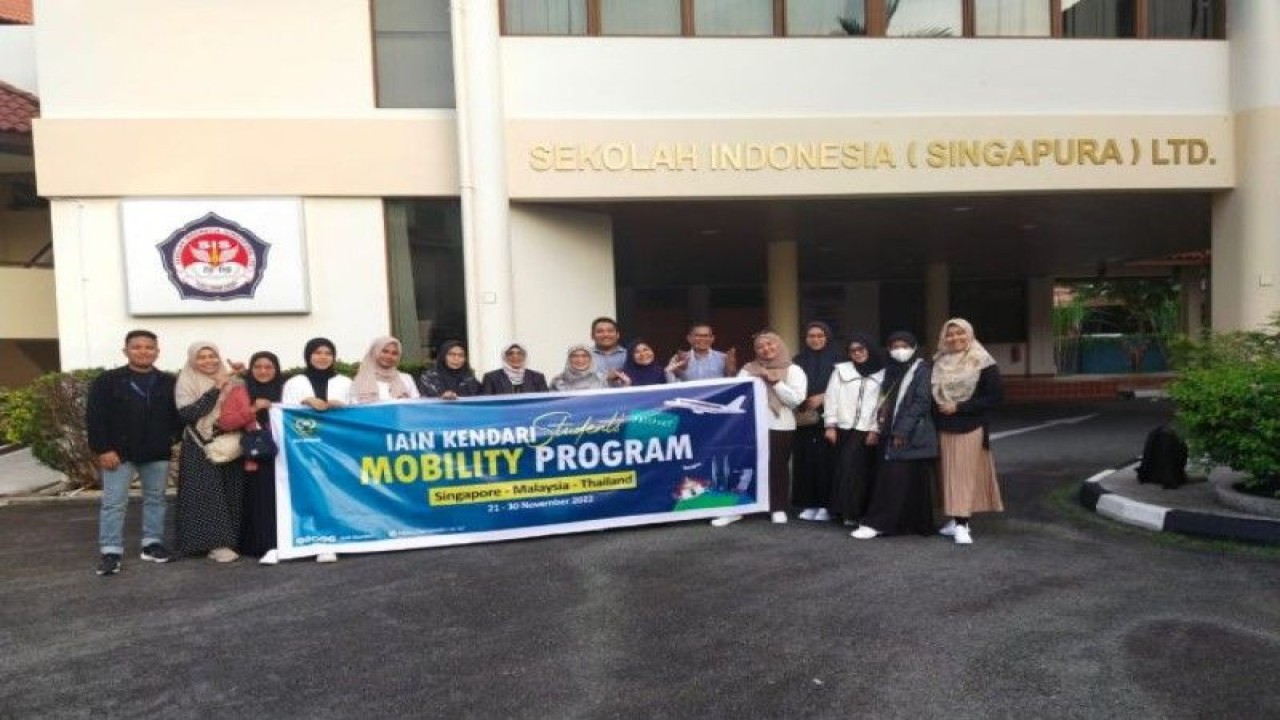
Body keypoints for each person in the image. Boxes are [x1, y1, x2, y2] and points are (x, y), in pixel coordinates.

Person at [86, 329, 181, 576]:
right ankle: (111, 551)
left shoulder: (168, 382)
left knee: (156, 499)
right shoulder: (107, 380)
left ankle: (151, 544)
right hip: (118, 453)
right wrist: (103, 448)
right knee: (114, 503)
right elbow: (95, 418)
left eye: (149, 347)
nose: (143, 351)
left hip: (156, 452)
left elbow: (177, 416)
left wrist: (171, 439)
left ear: (157, 352)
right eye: (137, 347)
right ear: (126, 350)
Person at [711, 330, 807, 527]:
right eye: (761, 347)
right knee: (744, 465)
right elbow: (738, 394)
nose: (766, 349)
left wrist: (775, 381)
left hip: (780, 424)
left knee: (777, 467)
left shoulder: (793, 370)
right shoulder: (749, 368)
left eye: (770, 344)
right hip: (750, 426)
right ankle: (738, 509)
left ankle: (777, 507)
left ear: (779, 345)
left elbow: (796, 400)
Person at [851, 331, 938, 540]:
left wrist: (902, 431)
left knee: (894, 478)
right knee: (896, 478)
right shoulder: (891, 371)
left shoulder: (922, 370)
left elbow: (921, 402)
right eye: (894, 346)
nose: (900, 350)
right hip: (888, 431)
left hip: (909, 433)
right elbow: (882, 402)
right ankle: (904, 523)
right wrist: (877, 428)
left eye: (904, 346)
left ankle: (879, 523)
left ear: (914, 347)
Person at [932, 317, 1004, 546]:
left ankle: (962, 525)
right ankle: (956, 520)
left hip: (970, 426)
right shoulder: (938, 361)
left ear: (970, 334)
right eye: (950, 334)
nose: (955, 338)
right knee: (948, 475)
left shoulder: (982, 361)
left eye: (960, 333)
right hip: (943, 427)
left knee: (961, 476)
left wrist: (959, 406)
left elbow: (994, 397)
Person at [174, 341, 247, 562]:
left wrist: (244, 375)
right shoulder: (186, 381)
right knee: (206, 495)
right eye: (202, 357)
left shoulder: (233, 379)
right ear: (192, 360)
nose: (209, 361)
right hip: (200, 445)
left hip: (230, 443)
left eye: (212, 356)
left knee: (232, 492)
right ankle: (213, 544)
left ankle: (233, 540)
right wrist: (216, 388)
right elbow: (189, 414)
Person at [281, 337, 353, 562]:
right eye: (317, 352)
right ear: (308, 355)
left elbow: (360, 414)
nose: (323, 357)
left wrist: (344, 408)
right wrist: (304, 402)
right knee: (314, 492)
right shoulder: (295, 382)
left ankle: (343, 536)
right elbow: (284, 414)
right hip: (306, 450)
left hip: (339, 449)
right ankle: (321, 540)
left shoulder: (345, 382)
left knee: (340, 492)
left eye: (328, 353)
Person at [217, 351, 284, 565]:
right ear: (251, 370)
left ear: (276, 369)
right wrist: (253, 409)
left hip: (288, 456)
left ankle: (287, 542)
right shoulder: (240, 392)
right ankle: (262, 544)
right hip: (257, 456)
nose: (263, 371)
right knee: (261, 501)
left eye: (268, 367)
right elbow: (225, 422)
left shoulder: (286, 390)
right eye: (258, 367)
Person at [824, 334, 885, 525]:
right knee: (844, 470)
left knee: (861, 472)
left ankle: (856, 512)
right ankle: (844, 511)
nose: (857, 354)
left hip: (866, 430)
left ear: (869, 349)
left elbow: (883, 404)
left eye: (861, 349)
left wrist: (875, 429)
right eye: (853, 351)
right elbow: (831, 397)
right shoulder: (841, 371)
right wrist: (830, 425)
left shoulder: (881, 373)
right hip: (843, 427)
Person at [791, 321, 843, 521]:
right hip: (804, 417)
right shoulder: (798, 360)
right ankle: (809, 503)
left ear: (828, 337)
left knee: (826, 461)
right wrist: (803, 400)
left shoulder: (839, 360)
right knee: (805, 460)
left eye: (820, 335)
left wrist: (823, 396)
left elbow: (846, 386)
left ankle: (826, 504)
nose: (815, 340)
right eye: (811, 336)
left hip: (828, 417)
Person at [349, 336, 420, 404]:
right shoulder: (360, 380)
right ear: (374, 352)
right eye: (385, 351)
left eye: (394, 353)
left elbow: (415, 406)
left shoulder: (406, 379)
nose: (389, 356)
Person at [666, 323, 737, 382]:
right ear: (689, 338)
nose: (702, 339)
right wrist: (672, 370)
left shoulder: (723, 358)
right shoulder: (679, 359)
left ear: (712, 339)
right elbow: (673, 385)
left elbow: (731, 384)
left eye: (706, 336)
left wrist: (731, 369)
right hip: (689, 397)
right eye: (697, 336)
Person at [481, 343, 549, 395]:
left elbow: (545, 402)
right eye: (510, 354)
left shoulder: (537, 377)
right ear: (504, 357)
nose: (515, 356)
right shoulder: (491, 378)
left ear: (525, 356)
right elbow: (486, 403)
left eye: (520, 353)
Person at [589, 316, 628, 386]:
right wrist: (606, 378)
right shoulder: (583, 357)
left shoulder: (629, 355)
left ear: (618, 335)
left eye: (610, 331)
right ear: (592, 336)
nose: (605, 335)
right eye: (600, 331)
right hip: (594, 396)